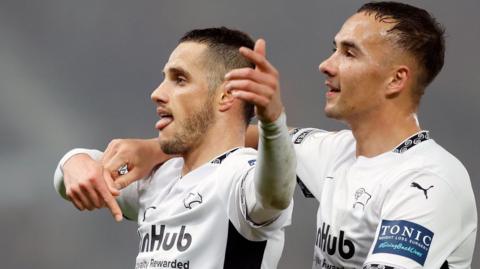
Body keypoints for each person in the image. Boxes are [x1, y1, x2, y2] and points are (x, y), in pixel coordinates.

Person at [94, 2, 478, 268]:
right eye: (333, 49)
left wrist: (273, 115)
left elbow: (270, 142)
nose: (326, 65)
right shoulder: (334, 151)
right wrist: (154, 148)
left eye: (349, 53)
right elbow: (239, 136)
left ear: (396, 79)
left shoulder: (429, 182)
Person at [53, 27, 297, 269]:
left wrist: (272, 121)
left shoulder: (239, 175)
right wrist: (73, 162)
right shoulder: (160, 177)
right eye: (164, 79)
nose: (157, 93)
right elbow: (73, 176)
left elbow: (274, 194)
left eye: (180, 80)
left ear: (226, 95)